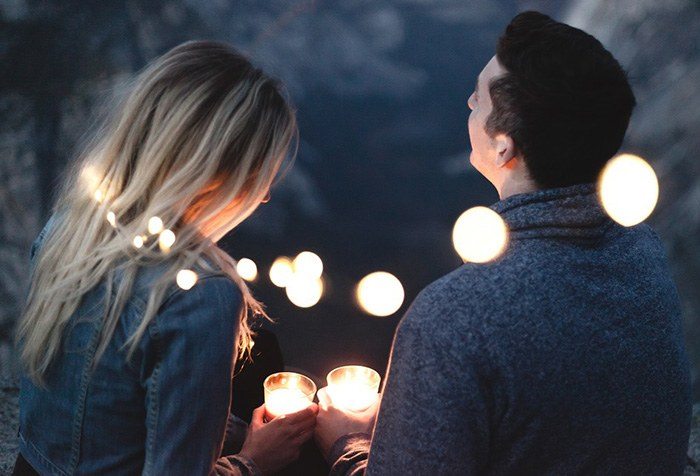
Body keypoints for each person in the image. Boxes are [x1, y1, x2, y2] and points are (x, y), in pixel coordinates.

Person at [315, 11, 692, 475]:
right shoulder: (644, 256)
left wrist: (348, 445)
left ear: (503, 149)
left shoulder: (453, 319)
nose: (469, 99)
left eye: (480, 96)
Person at [14, 41, 317, 475]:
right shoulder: (201, 293)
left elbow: (106, 403)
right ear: (213, 170)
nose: (264, 195)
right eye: (258, 174)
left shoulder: (68, 228)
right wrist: (253, 462)